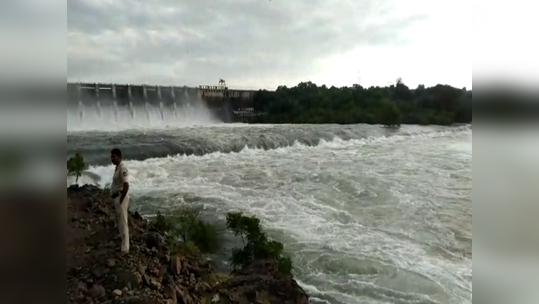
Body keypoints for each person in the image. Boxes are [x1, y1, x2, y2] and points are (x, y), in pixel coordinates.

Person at [110, 148, 130, 253]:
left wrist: (121, 200)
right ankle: (123, 244)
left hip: (120, 197)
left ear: (119, 156)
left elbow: (126, 185)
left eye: (113, 156)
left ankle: (125, 249)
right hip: (117, 197)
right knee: (120, 222)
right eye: (111, 156)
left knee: (123, 223)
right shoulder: (117, 168)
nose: (111, 159)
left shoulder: (123, 168)